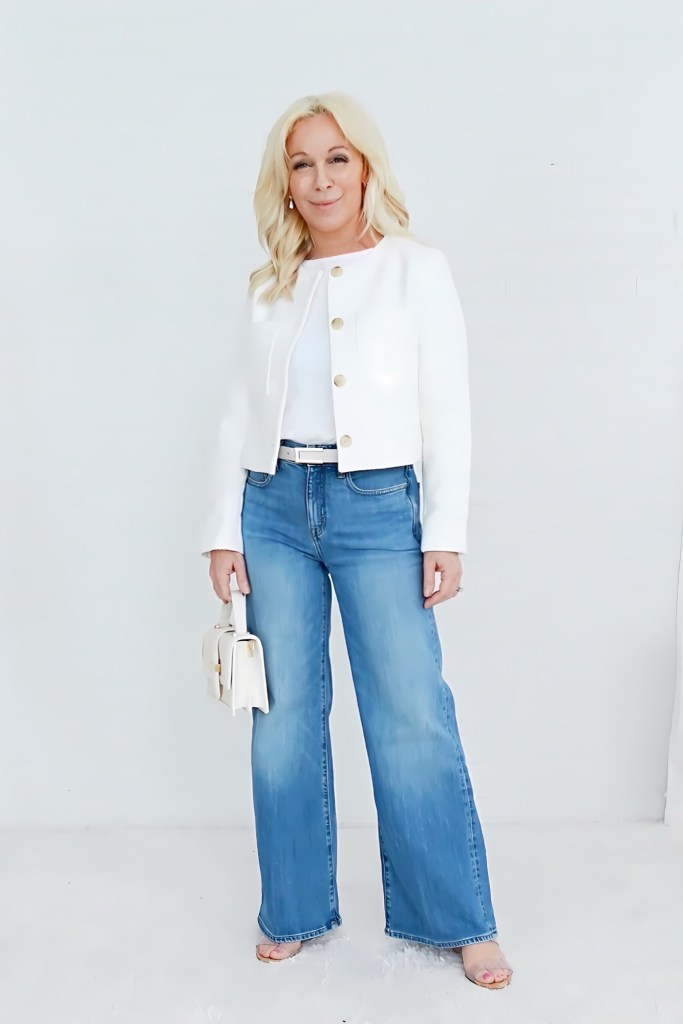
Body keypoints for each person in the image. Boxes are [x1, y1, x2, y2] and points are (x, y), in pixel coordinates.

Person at [201, 91, 513, 990]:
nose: (321, 176)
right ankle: (293, 908)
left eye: (337, 157)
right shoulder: (267, 286)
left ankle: (455, 918)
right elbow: (235, 415)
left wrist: (443, 532)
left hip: (381, 508)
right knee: (282, 720)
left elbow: (445, 407)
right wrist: (222, 532)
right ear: (284, 186)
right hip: (272, 509)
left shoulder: (417, 271)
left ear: (365, 168)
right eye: (301, 163)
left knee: (410, 713)